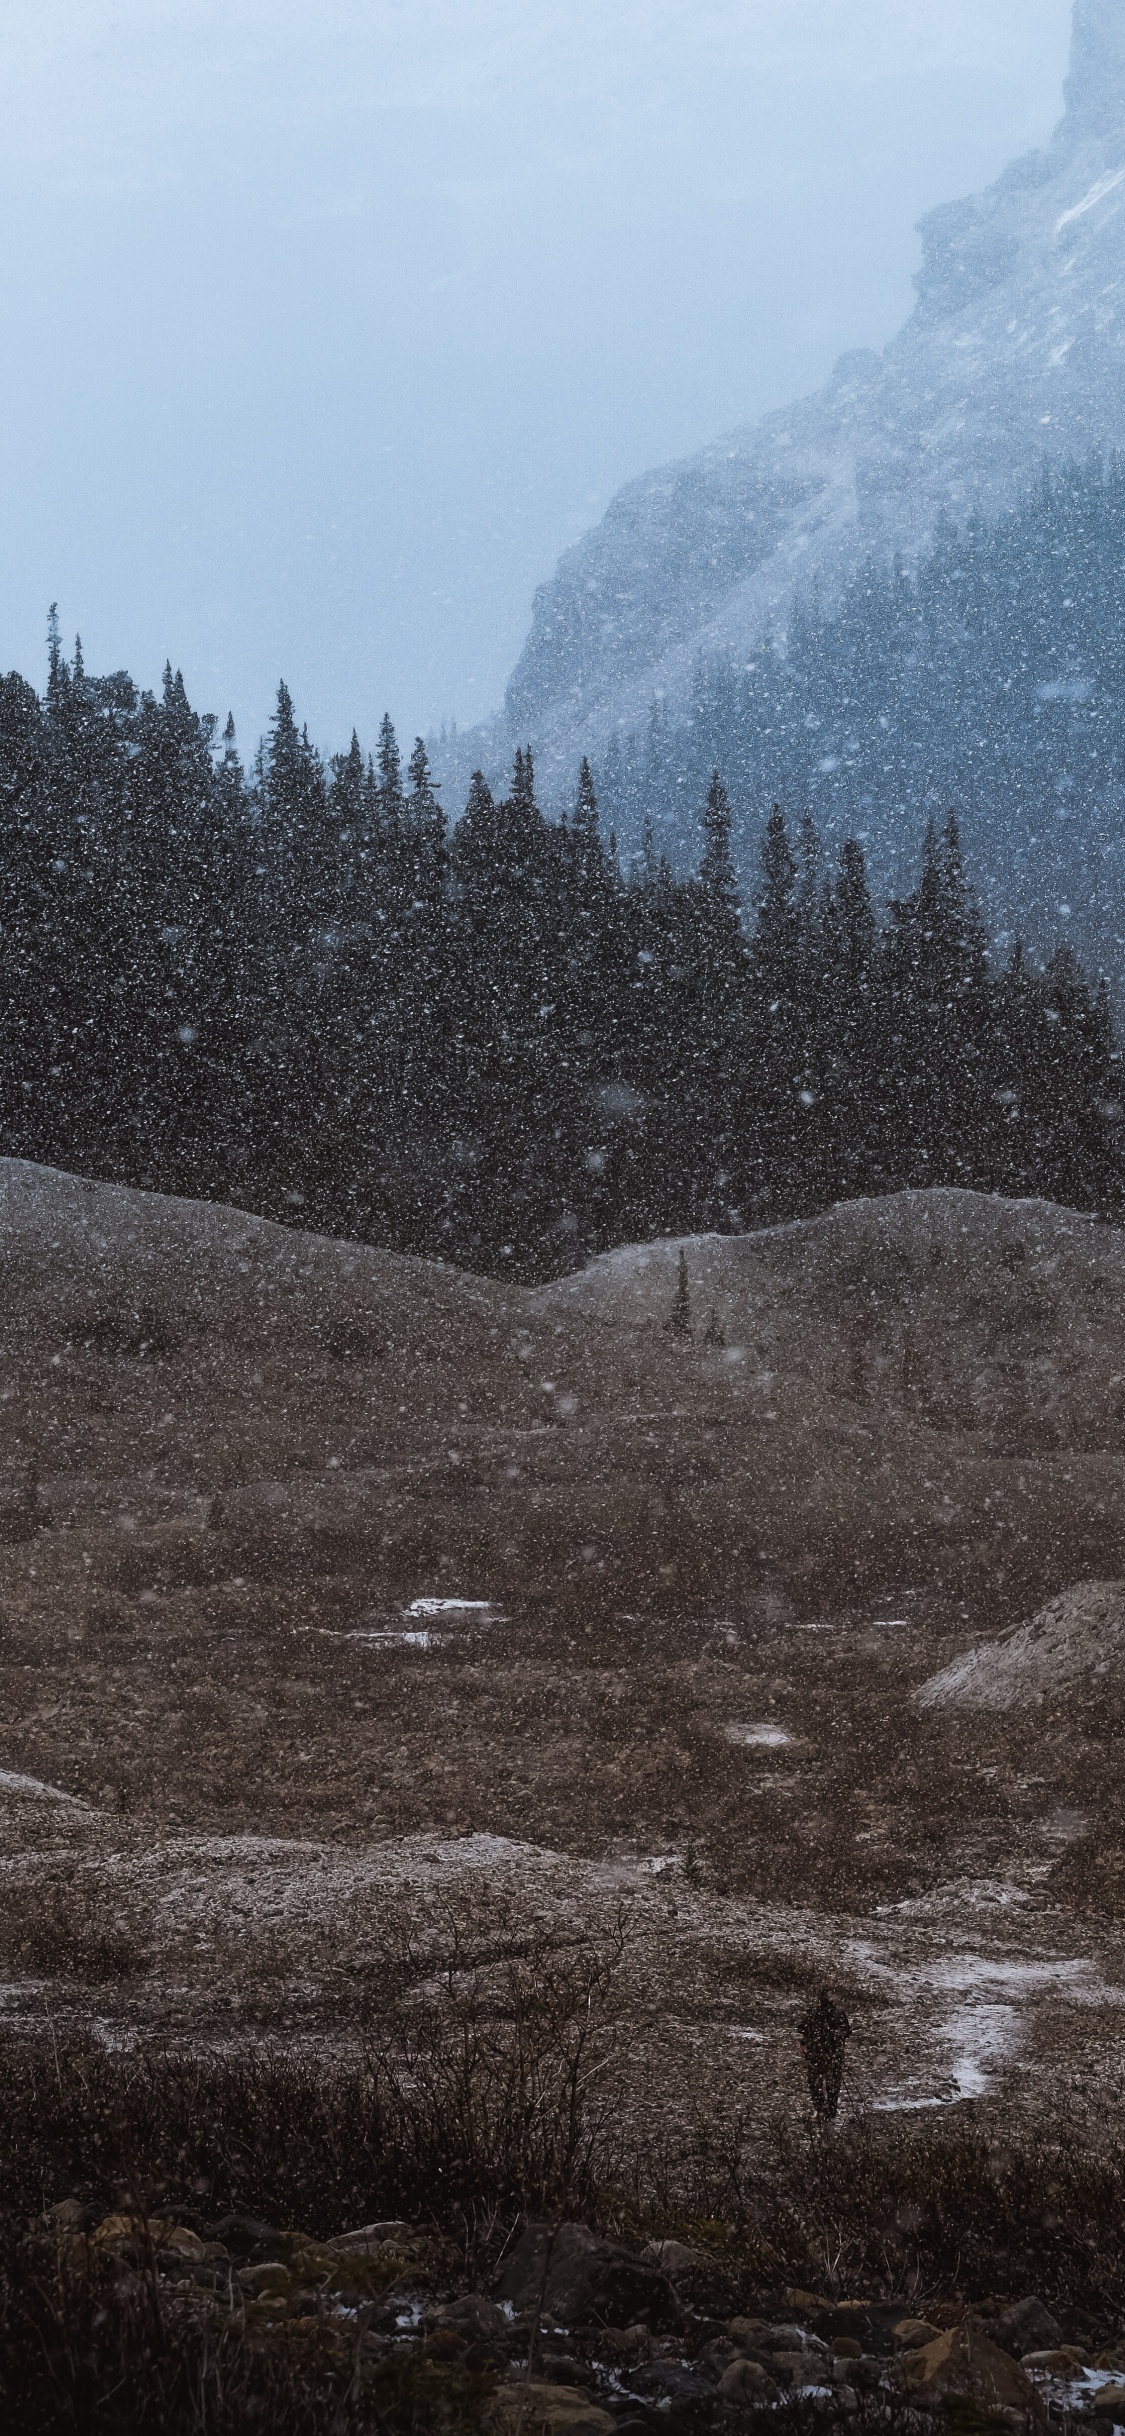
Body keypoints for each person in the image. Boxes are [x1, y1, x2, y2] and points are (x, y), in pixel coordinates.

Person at [799, 1990, 851, 2122]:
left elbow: (803, 2030)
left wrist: (804, 2044)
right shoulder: (836, 2014)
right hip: (830, 2055)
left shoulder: (814, 2013)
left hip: (818, 2054)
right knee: (830, 2085)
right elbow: (846, 2032)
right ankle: (828, 2112)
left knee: (817, 2084)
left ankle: (823, 2111)